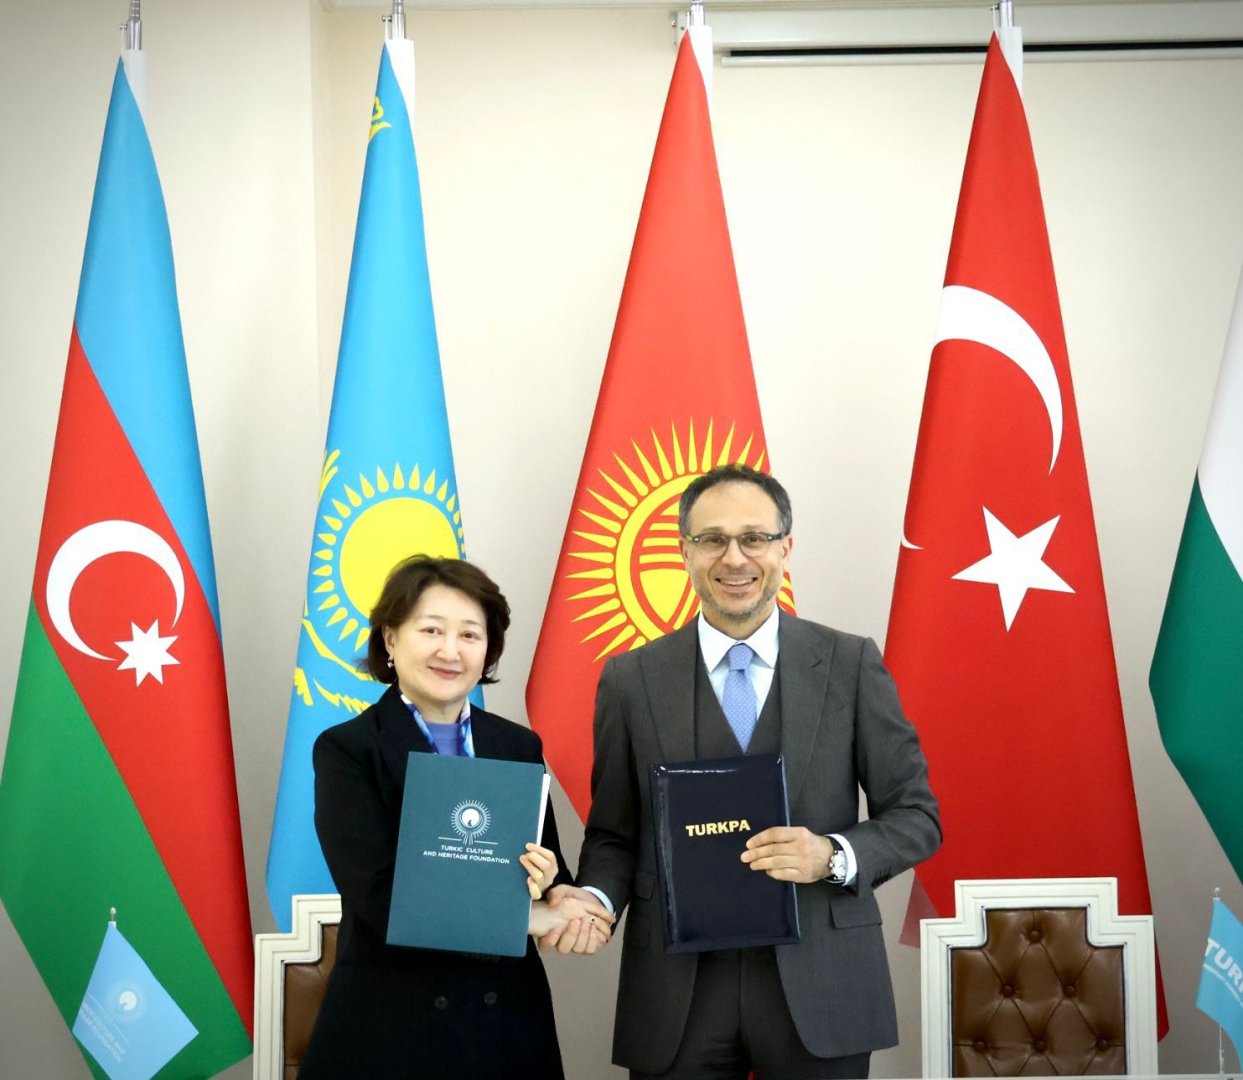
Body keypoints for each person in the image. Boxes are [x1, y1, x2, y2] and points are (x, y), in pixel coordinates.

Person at [542, 465, 941, 1079]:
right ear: (684, 551)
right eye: (712, 539)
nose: (734, 558)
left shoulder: (849, 663)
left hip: (822, 979)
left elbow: (916, 817)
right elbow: (615, 834)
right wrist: (593, 900)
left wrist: (831, 855)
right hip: (677, 988)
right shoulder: (630, 679)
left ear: (785, 548)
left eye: (754, 538)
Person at [300, 555, 611, 1080]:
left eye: (470, 634)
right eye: (431, 630)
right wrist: (523, 919)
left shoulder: (516, 745)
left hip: (507, 1025)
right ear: (391, 638)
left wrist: (559, 895)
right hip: (392, 1027)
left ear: (489, 649)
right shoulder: (348, 750)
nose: (451, 651)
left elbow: (551, 869)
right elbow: (379, 897)